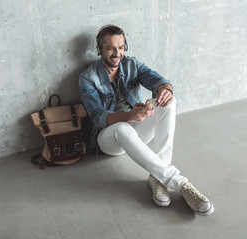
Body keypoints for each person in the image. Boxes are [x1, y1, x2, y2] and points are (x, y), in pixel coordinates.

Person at [78, 25, 214, 216]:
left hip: (137, 128)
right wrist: (127, 116)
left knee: (169, 100)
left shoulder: (132, 64)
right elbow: (97, 116)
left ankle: (157, 178)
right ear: (99, 49)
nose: (117, 53)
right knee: (122, 129)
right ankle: (181, 183)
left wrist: (165, 90)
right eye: (110, 48)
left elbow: (159, 80)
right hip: (109, 138)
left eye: (121, 47)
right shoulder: (87, 77)